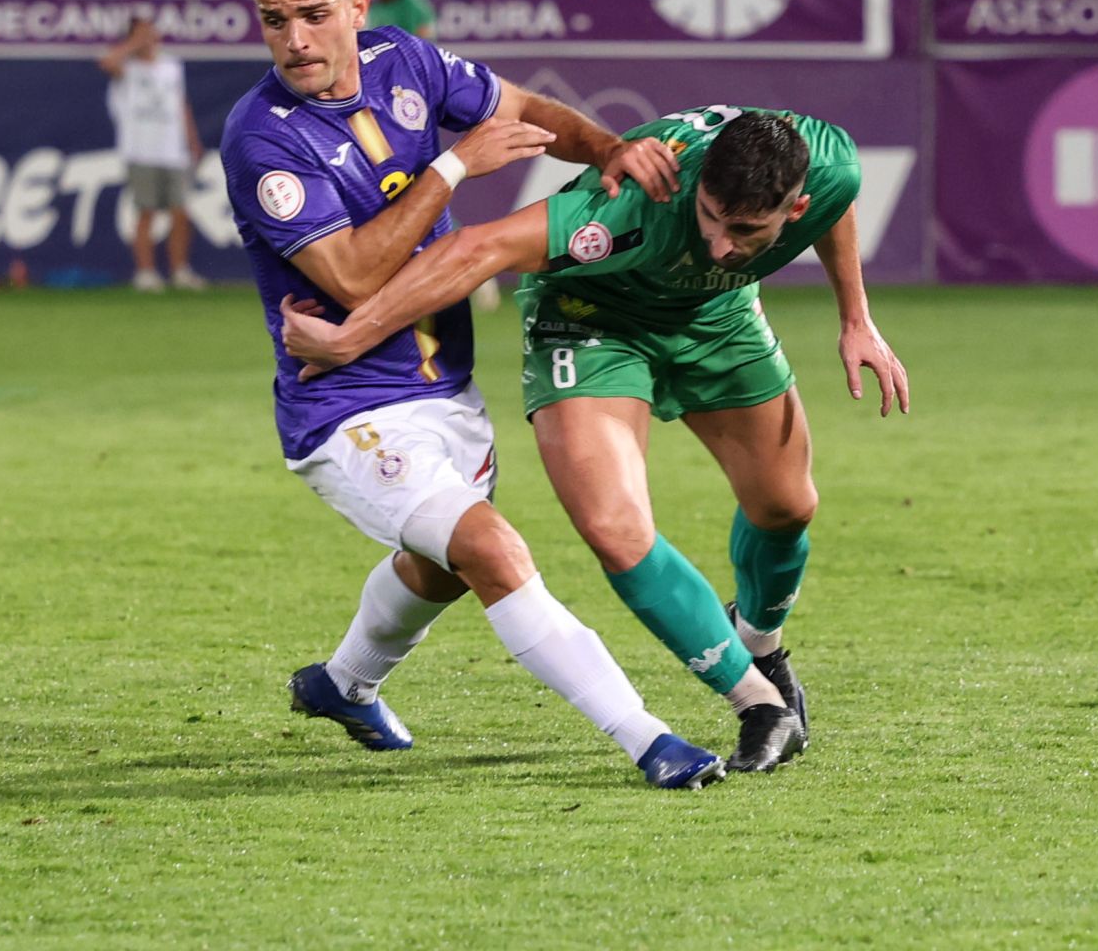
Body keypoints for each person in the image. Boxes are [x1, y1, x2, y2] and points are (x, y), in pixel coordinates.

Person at [222, 0, 734, 791]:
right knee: (491, 551)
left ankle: (345, 684)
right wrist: (455, 166)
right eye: (275, 21)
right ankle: (650, 740)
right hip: (345, 407)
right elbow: (348, 277)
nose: (295, 40)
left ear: (356, 6)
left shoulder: (405, 61)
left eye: (313, 15)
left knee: (442, 566)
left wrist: (606, 148)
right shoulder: (262, 137)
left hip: (446, 391)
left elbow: (523, 111)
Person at [283, 104, 911, 773]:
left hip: (716, 315)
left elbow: (836, 201)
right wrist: (354, 335)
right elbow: (477, 249)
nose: (723, 243)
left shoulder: (829, 165)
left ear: (794, 203)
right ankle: (758, 703)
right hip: (592, 321)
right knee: (615, 528)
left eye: (746, 231)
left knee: (788, 506)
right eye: (711, 217)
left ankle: (759, 643)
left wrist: (856, 318)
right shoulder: (636, 200)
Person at [99, 17, 205, 292]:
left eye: (151, 31)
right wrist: (134, 45)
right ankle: (145, 272)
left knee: (180, 212)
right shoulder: (128, 68)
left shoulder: (170, 66)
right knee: (146, 211)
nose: (149, 36)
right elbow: (107, 62)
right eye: (142, 32)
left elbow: (181, 104)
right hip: (142, 150)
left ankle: (180, 270)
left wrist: (192, 139)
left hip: (172, 150)